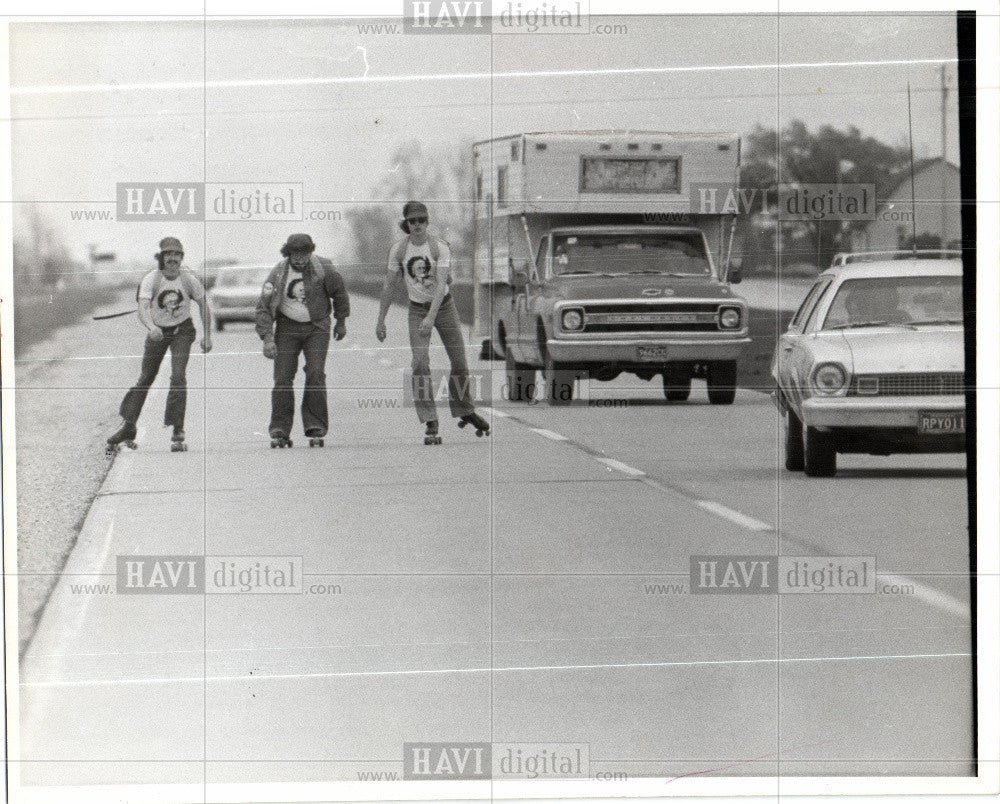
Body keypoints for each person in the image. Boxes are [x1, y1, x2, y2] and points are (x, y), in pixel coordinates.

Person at [375, 201, 490, 444]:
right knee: (419, 362)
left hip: (444, 306)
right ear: (406, 224)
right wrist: (381, 319)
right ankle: (430, 418)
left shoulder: (439, 248)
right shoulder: (399, 250)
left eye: (421, 220)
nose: (417, 225)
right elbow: (389, 284)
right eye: (412, 221)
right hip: (416, 309)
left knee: (459, 360)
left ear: (428, 222)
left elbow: (441, 286)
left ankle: (465, 409)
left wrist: (431, 318)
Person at [106, 237, 212, 453]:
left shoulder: (188, 279)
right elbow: (143, 308)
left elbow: (203, 304)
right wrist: (151, 327)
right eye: (168, 255)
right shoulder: (151, 280)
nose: (172, 259)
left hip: (183, 330)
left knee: (178, 376)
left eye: (177, 255)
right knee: (146, 377)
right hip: (158, 332)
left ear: (181, 258)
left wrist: (207, 335)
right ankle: (128, 426)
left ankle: (178, 430)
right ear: (161, 258)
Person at [255, 233, 350, 447]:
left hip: (317, 327)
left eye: (304, 254)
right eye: (294, 254)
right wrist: (267, 339)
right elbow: (263, 307)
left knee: (316, 372)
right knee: (282, 377)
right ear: (288, 254)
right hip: (287, 328)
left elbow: (340, 294)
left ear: (311, 252)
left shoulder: (324, 267)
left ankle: (315, 424)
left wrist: (341, 321)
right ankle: (280, 428)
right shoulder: (279, 272)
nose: (300, 259)